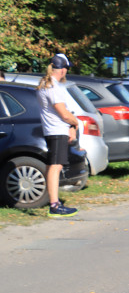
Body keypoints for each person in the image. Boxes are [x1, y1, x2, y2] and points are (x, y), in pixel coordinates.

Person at [35, 53, 79, 218]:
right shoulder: (53, 87)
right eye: (67, 68)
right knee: (56, 166)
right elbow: (63, 113)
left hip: (51, 130)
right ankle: (54, 205)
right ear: (62, 69)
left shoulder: (45, 84)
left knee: (52, 166)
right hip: (57, 130)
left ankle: (53, 201)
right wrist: (75, 123)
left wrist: (71, 124)